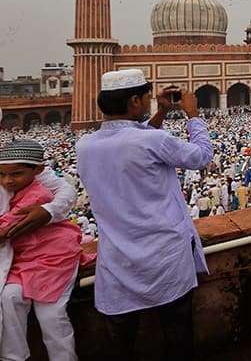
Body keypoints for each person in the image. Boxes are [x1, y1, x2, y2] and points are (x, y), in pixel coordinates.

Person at [76, 71, 212, 361]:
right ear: (135, 100)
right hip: (165, 259)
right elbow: (201, 156)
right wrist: (192, 115)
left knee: (119, 346)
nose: (151, 102)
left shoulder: (84, 146)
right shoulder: (152, 141)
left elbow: (136, 143)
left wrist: (161, 111)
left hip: (118, 263)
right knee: (177, 341)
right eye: (148, 98)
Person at [0, 140, 86, 361]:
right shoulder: (15, 174)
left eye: (14, 174)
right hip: (22, 258)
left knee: (51, 314)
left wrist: (49, 211)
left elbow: (64, 191)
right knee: (9, 297)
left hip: (50, 257)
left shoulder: (36, 189)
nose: (7, 180)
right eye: (3, 175)